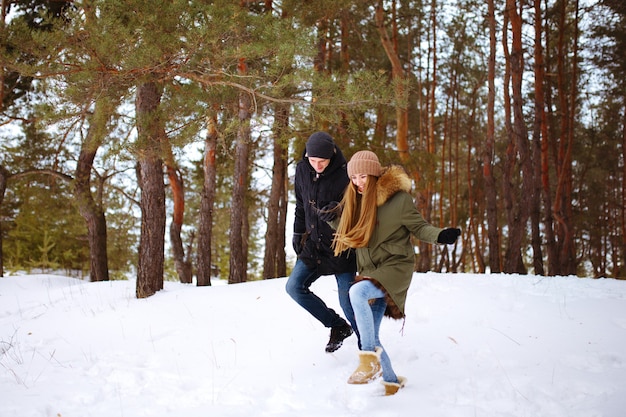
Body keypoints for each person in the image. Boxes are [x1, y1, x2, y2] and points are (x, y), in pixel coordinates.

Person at [329, 150, 461, 396]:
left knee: (356, 292)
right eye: (354, 177)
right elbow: (350, 231)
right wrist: (330, 220)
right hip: (370, 269)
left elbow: (419, 227)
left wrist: (440, 235)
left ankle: (368, 361)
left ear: (375, 174)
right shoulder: (355, 201)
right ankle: (391, 381)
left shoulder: (398, 200)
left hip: (395, 267)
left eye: (363, 176)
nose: (358, 182)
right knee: (371, 335)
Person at [285, 131, 358, 353]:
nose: (317, 165)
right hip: (314, 246)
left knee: (349, 303)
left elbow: (359, 210)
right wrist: (298, 233)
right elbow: (300, 205)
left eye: (322, 161)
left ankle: (369, 347)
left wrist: (338, 210)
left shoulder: (346, 174)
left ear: (332, 156)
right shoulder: (302, 170)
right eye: (313, 160)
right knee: (294, 288)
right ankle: (337, 326)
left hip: (341, 248)